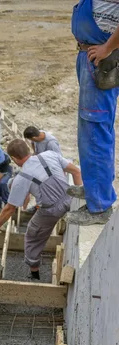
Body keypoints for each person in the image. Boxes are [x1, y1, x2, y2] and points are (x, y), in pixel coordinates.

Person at [0, 139, 82, 280]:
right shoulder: (50, 155)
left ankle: (34, 271)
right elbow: (76, 172)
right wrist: (77, 200)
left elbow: (9, 209)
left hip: (51, 211)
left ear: (15, 159)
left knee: (32, 235)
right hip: (70, 198)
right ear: (29, 149)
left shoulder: (21, 178)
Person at [67, 0, 119, 225]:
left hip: (101, 57)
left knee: (94, 130)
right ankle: (95, 188)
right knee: (92, 129)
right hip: (91, 56)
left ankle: (99, 207)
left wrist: (108, 47)